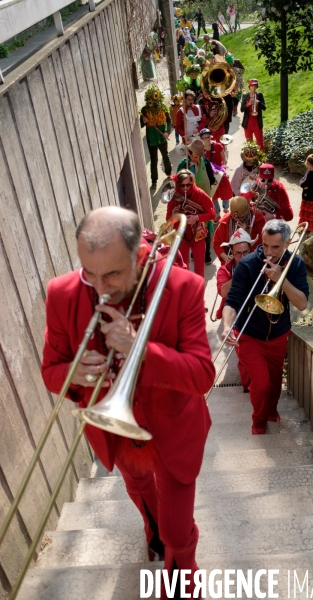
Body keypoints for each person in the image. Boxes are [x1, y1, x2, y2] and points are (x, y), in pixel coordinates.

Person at [42, 207, 215, 598]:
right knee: (138, 488)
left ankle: (184, 581)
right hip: (114, 429)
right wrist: (75, 374)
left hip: (173, 431)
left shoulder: (182, 287)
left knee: (178, 532)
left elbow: (203, 374)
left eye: (113, 274)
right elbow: (51, 371)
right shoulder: (63, 293)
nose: (99, 286)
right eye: (90, 272)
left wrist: (140, 348)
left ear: (139, 254)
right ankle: (151, 531)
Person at [222, 219, 309, 434]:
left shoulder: (295, 264)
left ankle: (271, 410)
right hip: (250, 335)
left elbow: (302, 303)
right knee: (260, 384)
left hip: (278, 334)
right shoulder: (248, 264)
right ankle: (258, 421)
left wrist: (282, 279)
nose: (268, 251)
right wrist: (226, 326)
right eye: (265, 244)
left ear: (287, 243)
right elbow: (232, 301)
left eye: (275, 247)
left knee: (275, 381)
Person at [216, 228, 256, 391]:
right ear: (231, 252)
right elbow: (222, 291)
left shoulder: (259, 265)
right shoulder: (224, 270)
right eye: (238, 254)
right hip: (235, 318)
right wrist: (238, 274)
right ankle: (248, 386)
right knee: (244, 355)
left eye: (245, 252)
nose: (242, 257)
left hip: (255, 314)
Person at [167, 170, 215, 278]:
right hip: (181, 235)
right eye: (182, 185)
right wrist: (173, 214)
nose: (185, 188)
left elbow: (212, 214)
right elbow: (168, 219)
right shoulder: (173, 196)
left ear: (192, 183)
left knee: (199, 269)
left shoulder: (199, 194)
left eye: (188, 185)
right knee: (183, 269)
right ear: (177, 184)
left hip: (198, 236)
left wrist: (197, 217)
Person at [213, 195, 266, 263]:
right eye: (234, 217)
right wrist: (225, 257)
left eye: (241, 217)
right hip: (231, 262)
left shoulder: (258, 219)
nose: (237, 220)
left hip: (252, 260)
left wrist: (248, 233)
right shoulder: (225, 222)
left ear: (247, 212)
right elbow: (217, 244)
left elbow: (263, 244)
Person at [140, 85, 172, 190]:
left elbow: (169, 121)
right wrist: (143, 121)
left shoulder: (163, 108)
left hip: (162, 137)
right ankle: (154, 181)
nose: (153, 102)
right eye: (150, 100)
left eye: (154, 99)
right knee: (154, 159)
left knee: (165, 156)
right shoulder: (144, 110)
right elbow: (141, 124)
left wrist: (167, 132)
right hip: (151, 139)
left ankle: (169, 173)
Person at [199, 128, 233, 221]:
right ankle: (217, 213)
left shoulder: (218, 146)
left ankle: (226, 208)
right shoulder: (200, 150)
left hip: (220, 173)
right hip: (209, 175)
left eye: (208, 137)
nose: (207, 139)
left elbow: (224, 158)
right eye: (204, 138)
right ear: (201, 139)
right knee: (213, 194)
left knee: (225, 191)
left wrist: (225, 167)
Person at [241, 78, 266, 149]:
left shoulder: (260, 95)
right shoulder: (245, 96)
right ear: (249, 87)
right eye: (252, 86)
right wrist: (248, 104)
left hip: (257, 123)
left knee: (260, 143)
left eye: (255, 86)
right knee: (249, 144)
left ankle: (261, 159)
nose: (253, 88)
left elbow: (264, 108)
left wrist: (258, 102)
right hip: (247, 123)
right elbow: (242, 109)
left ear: (257, 87)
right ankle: (250, 159)